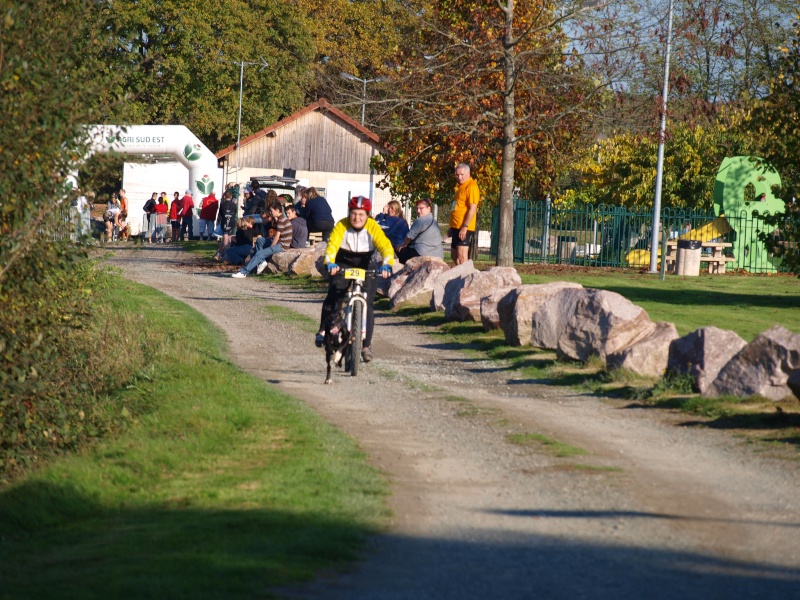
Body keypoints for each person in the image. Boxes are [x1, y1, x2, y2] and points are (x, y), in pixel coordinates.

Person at [316, 195, 394, 363]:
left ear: (367, 215)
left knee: (369, 303)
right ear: (349, 213)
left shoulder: (373, 227)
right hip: (343, 262)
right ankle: (324, 329)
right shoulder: (341, 225)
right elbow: (332, 246)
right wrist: (329, 262)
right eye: (354, 213)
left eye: (361, 214)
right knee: (334, 295)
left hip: (366, 264)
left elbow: (385, 246)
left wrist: (387, 264)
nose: (357, 218)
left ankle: (366, 346)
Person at [232, 201, 293, 278]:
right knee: (259, 240)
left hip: (282, 245)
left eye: (272, 211)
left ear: (277, 210)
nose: (270, 212)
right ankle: (262, 261)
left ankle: (244, 272)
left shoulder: (281, 221)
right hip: (281, 242)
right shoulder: (283, 219)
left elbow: (277, 236)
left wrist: (271, 248)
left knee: (259, 254)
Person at [449, 162, 480, 265]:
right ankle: (459, 277)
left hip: (464, 226)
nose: (459, 177)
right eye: (457, 175)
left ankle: (466, 278)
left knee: (462, 256)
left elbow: (472, 208)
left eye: (462, 174)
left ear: (468, 173)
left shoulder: (471, 187)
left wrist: (465, 226)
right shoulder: (460, 187)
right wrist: (451, 227)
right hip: (456, 226)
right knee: (454, 255)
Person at [396, 198, 444, 263]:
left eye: (421, 208)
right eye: (417, 208)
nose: (418, 211)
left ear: (429, 208)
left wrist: (403, 245)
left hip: (423, 254)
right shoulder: (434, 221)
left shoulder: (421, 220)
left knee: (399, 249)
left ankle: (404, 271)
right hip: (438, 255)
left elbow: (409, 237)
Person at [214, 190, 238, 260]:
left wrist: (219, 221)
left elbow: (220, 214)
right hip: (232, 222)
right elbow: (235, 212)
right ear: (231, 197)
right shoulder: (234, 205)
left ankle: (225, 254)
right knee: (228, 237)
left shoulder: (222, 205)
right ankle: (219, 253)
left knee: (225, 237)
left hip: (224, 222)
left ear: (224, 197)